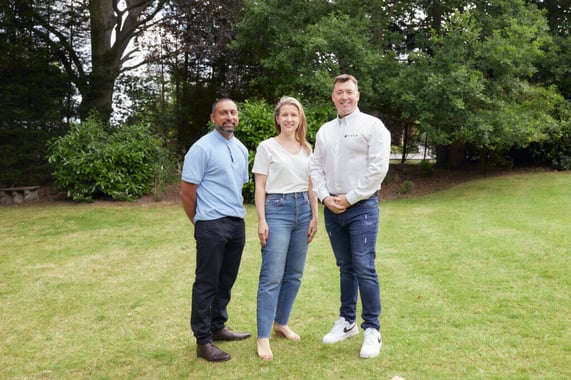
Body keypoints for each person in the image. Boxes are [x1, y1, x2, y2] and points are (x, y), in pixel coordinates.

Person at [310, 74, 391, 359]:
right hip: (333, 208)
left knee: (364, 266)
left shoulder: (372, 126)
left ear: (357, 95)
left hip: (362, 207)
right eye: (339, 92)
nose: (344, 97)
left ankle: (372, 328)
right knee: (345, 267)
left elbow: (378, 169)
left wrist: (351, 197)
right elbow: (315, 168)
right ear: (332, 97)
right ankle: (347, 322)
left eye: (349, 92)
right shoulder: (325, 131)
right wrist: (324, 197)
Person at [180, 98, 252, 362]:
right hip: (211, 224)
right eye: (223, 113)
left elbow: (237, 186)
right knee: (207, 283)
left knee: (226, 280)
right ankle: (203, 340)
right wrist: (200, 222)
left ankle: (218, 326)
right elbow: (187, 193)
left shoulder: (242, 149)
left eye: (233, 112)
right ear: (213, 118)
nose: (229, 117)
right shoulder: (201, 148)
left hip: (236, 223)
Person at [252, 96, 319, 360]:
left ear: (300, 118)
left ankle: (281, 323)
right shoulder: (267, 147)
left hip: (303, 210)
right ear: (277, 119)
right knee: (272, 276)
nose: (289, 119)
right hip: (276, 210)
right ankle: (263, 336)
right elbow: (259, 186)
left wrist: (315, 216)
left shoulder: (306, 148)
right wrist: (261, 220)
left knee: (294, 274)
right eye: (285, 115)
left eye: (294, 114)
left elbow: (312, 185)